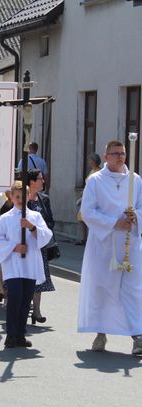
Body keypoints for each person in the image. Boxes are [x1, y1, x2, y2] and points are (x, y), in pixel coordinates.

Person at [78, 140, 142, 355]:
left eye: (123, 153)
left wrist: (136, 217)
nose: (120, 157)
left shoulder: (135, 180)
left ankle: (138, 336)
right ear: (106, 157)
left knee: (132, 290)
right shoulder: (95, 181)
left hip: (130, 244)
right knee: (103, 287)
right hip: (104, 244)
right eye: (115, 153)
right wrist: (114, 222)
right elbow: (87, 211)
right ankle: (100, 333)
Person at [0, 181, 52, 348]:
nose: (19, 199)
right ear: (11, 197)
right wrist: (14, 247)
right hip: (13, 265)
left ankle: (20, 334)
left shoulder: (35, 216)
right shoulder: (6, 218)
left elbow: (46, 235)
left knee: (26, 300)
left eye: (23, 196)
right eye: (16, 196)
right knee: (15, 297)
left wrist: (31, 228)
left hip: (30, 264)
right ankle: (11, 334)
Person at [27, 169, 56, 324]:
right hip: (25, 245)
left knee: (39, 276)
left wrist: (43, 231)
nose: (43, 181)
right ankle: (22, 307)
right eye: (40, 179)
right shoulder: (23, 199)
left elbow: (50, 220)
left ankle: (36, 311)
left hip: (40, 244)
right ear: (32, 182)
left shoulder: (44, 199)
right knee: (26, 276)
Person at [76, 152, 102, 245]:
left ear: (93, 161)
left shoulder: (99, 171)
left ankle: (89, 238)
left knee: (88, 218)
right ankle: (84, 238)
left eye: (89, 160)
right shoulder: (92, 171)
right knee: (81, 218)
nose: (88, 161)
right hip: (86, 197)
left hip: (93, 198)